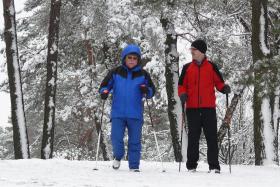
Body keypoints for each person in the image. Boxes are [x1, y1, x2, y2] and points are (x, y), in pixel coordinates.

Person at [99, 44, 155, 172]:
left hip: (135, 114)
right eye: (129, 57)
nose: (131, 60)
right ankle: (118, 156)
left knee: (135, 141)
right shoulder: (116, 72)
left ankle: (134, 166)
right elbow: (104, 86)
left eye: (135, 58)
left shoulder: (143, 74)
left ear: (138, 60)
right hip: (118, 113)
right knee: (116, 138)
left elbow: (151, 91)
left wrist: (147, 90)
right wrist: (104, 91)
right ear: (124, 58)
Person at [178, 39, 231, 173]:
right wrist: (182, 94)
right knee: (193, 138)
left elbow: (219, 82)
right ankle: (191, 166)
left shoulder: (211, 66)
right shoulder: (187, 68)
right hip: (192, 109)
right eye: (191, 49)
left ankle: (214, 167)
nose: (192, 52)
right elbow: (181, 85)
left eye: (194, 50)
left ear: (201, 51)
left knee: (211, 137)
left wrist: (223, 88)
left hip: (208, 109)